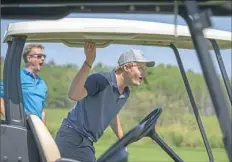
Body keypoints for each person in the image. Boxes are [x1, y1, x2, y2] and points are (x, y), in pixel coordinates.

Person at [55, 42, 155, 162]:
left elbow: (112, 114)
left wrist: (122, 140)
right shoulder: (100, 80)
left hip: (86, 142)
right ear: (127, 67)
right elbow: (74, 95)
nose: (144, 73)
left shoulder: (125, 92)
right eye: (140, 68)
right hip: (73, 137)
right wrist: (89, 61)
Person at [0, 44, 48, 123]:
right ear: (29, 58)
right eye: (39, 56)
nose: (42, 59)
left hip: (36, 129)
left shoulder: (42, 84)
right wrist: (9, 118)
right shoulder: (17, 76)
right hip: (21, 127)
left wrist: (43, 130)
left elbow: (42, 111)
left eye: (44, 56)